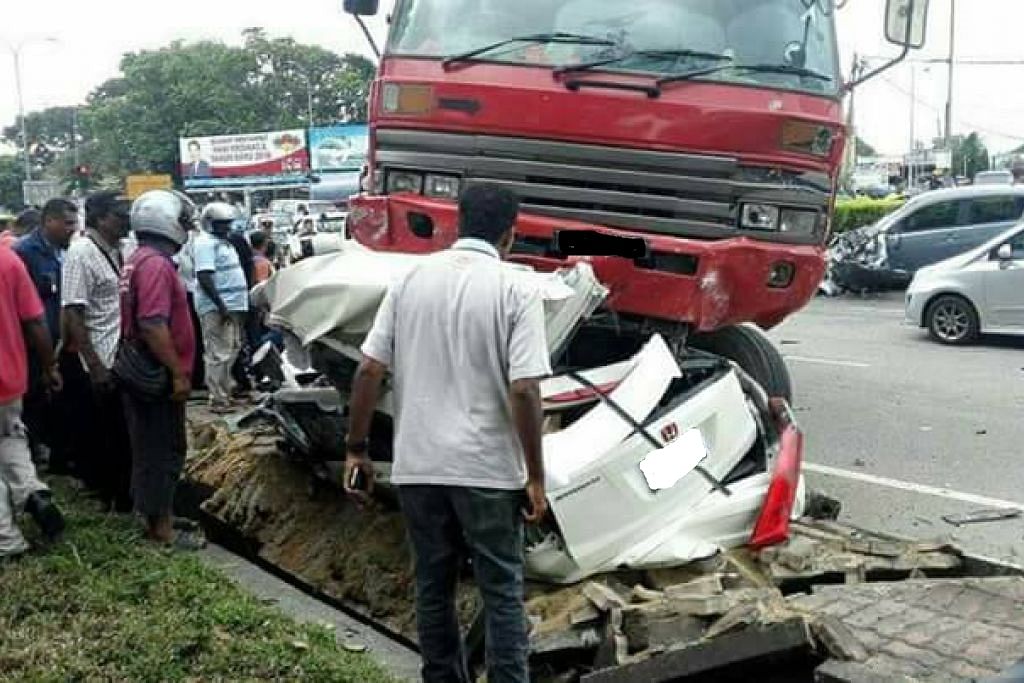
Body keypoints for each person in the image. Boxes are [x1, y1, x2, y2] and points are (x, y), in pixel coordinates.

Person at [344, 184, 550, 683]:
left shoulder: (411, 279)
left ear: (458, 223)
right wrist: (536, 477)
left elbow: (369, 370)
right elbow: (524, 390)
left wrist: (356, 449)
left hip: (419, 466)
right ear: (510, 235)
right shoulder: (518, 288)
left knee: (432, 584)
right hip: (487, 470)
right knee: (500, 588)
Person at [119, 190, 202, 549]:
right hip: (156, 374)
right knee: (163, 450)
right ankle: (161, 530)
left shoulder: (138, 259)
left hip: (144, 369)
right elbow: (153, 323)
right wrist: (178, 372)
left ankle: (158, 515)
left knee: (151, 447)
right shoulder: (155, 265)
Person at [61, 191, 133, 511]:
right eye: (121, 215)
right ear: (101, 217)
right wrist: (94, 365)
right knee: (105, 436)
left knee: (123, 434)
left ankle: (123, 494)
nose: (127, 221)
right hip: (99, 359)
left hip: (121, 355)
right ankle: (108, 497)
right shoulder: (81, 252)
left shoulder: (121, 250)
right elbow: (73, 312)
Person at [0, 242, 66, 560]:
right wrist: (50, 366)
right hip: (9, 378)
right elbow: (35, 321)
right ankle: (32, 492)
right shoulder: (8, 260)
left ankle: (7, 540)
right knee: (11, 439)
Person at [14, 198, 78, 472]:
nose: (73, 229)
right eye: (67, 223)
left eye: (74, 223)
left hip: (59, 341)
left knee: (59, 399)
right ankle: (30, 456)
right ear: (48, 221)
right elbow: (26, 310)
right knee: (33, 399)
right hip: (32, 345)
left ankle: (58, 456)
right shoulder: (25, 253)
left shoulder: (66, 251)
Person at [194, 202, 250, 413]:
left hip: (232, 305)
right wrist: (221, 305)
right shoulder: (205, 244)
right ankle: (217, 398)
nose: (226, 227)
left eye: (228, 223)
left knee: (232, 348)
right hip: (217, 307)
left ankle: (226, 392)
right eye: (221, 224)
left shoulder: (224, 243)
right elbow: (204, 275)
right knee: (218, 352)